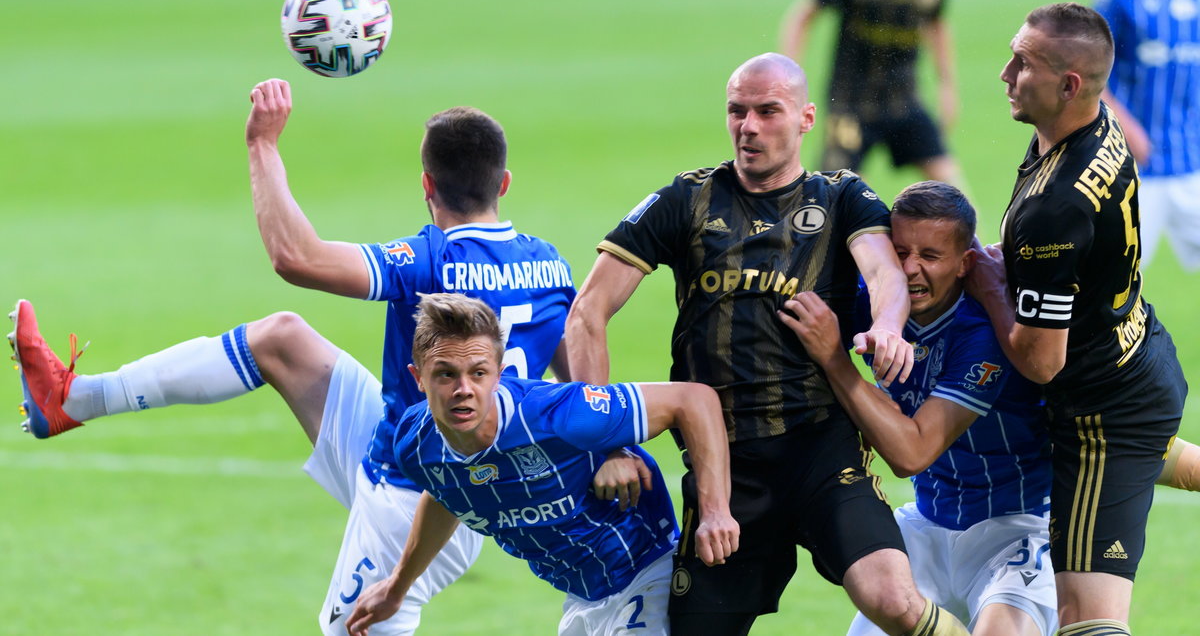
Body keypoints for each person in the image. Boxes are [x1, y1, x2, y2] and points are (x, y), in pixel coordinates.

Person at [9, 84, 640, 635]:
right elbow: (573, 370)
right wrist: (606, 446)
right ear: (503, 184)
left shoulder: (428, 259)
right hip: (420, 455)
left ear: (425, 185)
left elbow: (296, 256)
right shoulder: (550, 264)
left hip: (420, 495)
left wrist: (263, 145)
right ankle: (71, 400)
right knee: (280, 339)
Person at [566, 52, 969, 636]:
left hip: (822, 453)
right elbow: (587, 312)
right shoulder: (687, 201)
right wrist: (603, 442)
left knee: (893, 600)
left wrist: (885, 327)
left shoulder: (841, 197)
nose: (747, 126)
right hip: (724, 467)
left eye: (766, 111)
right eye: (737, 111)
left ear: (806, 119)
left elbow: (883, 274)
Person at [968, 3, 1188, 635]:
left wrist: (988, 286)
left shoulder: (1052, 210)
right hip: (1137, 355)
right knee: (1165, 460)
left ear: (1070, 85)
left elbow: (1041, 361)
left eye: (1024, 64)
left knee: (1087, 623)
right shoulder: (1096, 124)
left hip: (1100, 418)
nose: (1005, 74)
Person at [342, 293, 739, 636]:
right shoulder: (415, 444)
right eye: (445, 374)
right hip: (580, 598)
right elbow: (447, 491)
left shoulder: (553, 416)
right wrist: (397, 587)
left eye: (478, 373)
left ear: (498, 374)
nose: (463, 390)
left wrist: (715, 512)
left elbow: (694, 400)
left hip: (646, 572)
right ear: (418, 378)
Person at [780, 181, 1057, 636]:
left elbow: (912, 454)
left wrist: (835, 360)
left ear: (964, 263)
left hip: (1015, 527)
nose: (910, 270)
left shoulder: (981, 334)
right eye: (900, 252)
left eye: (930, 256)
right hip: (928, 522)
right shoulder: (867, 301)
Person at [780, 0, 963, 186]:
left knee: (953, 188)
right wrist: (789, 79)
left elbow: (935, 24)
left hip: (904, 100)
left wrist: (947, 87)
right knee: (842, 193)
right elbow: (804, 16)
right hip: (850, 104)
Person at [1094, 0, 1200, 270]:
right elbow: (1087, 67)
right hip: (1133, 166)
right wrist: (1127, 129)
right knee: (1111, 281)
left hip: (1193, 161)